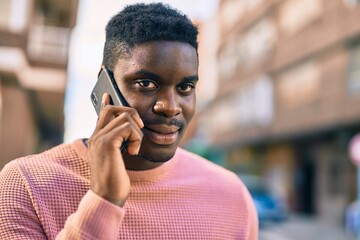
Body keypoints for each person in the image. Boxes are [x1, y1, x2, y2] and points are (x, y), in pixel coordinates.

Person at [0, 3, 258, 239]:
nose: (170, 107)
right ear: (105, 85)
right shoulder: (25, 185)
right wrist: (104, 199)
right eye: (146, 83)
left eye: (185, 87)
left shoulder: (231, 195)